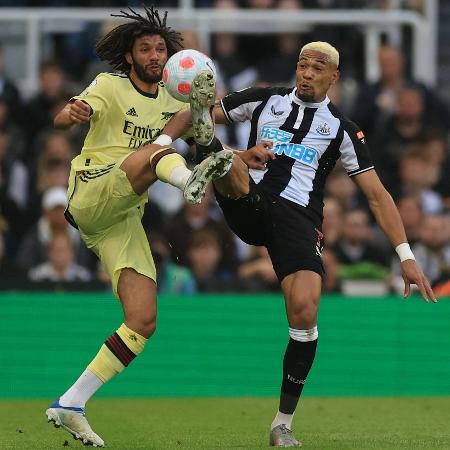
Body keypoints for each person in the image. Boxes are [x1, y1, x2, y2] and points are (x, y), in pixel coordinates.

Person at [162, 41, 437, 447]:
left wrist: (406, 257)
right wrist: (161, 145)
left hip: (298, 219)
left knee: (306, 311)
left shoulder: (342, 128)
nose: (306, 73)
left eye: (316, 68)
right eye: (302, 65)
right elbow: (186, 114)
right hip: (250, 200)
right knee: (221, 148)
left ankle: (281, 424)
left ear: (334, 77)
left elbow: (378, 196)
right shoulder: (264, 99)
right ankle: (216, 152)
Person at [44, 5, 233, 447]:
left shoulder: (175, 100)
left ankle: (71, 403)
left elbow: (211, 119)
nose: (153, 55)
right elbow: (68, 112)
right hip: (92, 189)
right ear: (129, 56)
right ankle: (188, 180)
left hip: (122, 216)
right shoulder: (109, 85)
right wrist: (70, 115)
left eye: (160, 49)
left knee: (143, 320)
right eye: (145, 48)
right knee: (155, 153)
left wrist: (245, 152)